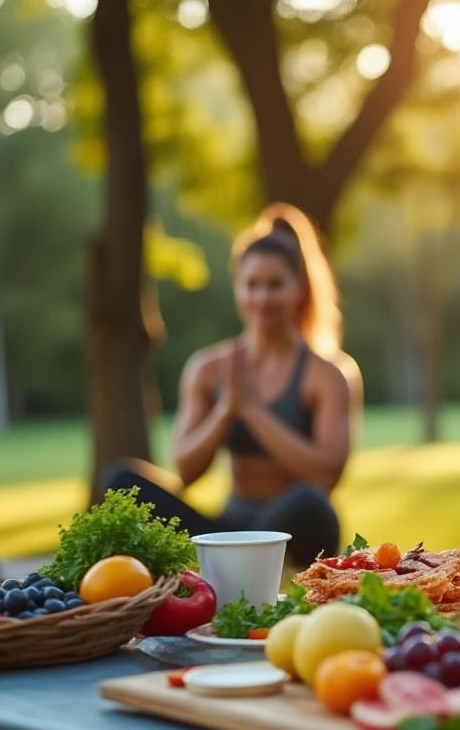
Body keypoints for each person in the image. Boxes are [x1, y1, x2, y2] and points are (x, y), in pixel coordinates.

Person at [100, 203, 355, 566]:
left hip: (292, 528)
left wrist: (253, 412)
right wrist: (225, 412)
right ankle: (228, 560)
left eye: (275, 285)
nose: (262, 298)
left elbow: (326, 474)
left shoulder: (327, 373)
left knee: (310, 501)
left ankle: (232, 564)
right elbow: (186, 471)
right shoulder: (209, 368)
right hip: (227, 527)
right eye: (252, 285)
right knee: (121, 479)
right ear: (238, 288)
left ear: (298, 289)